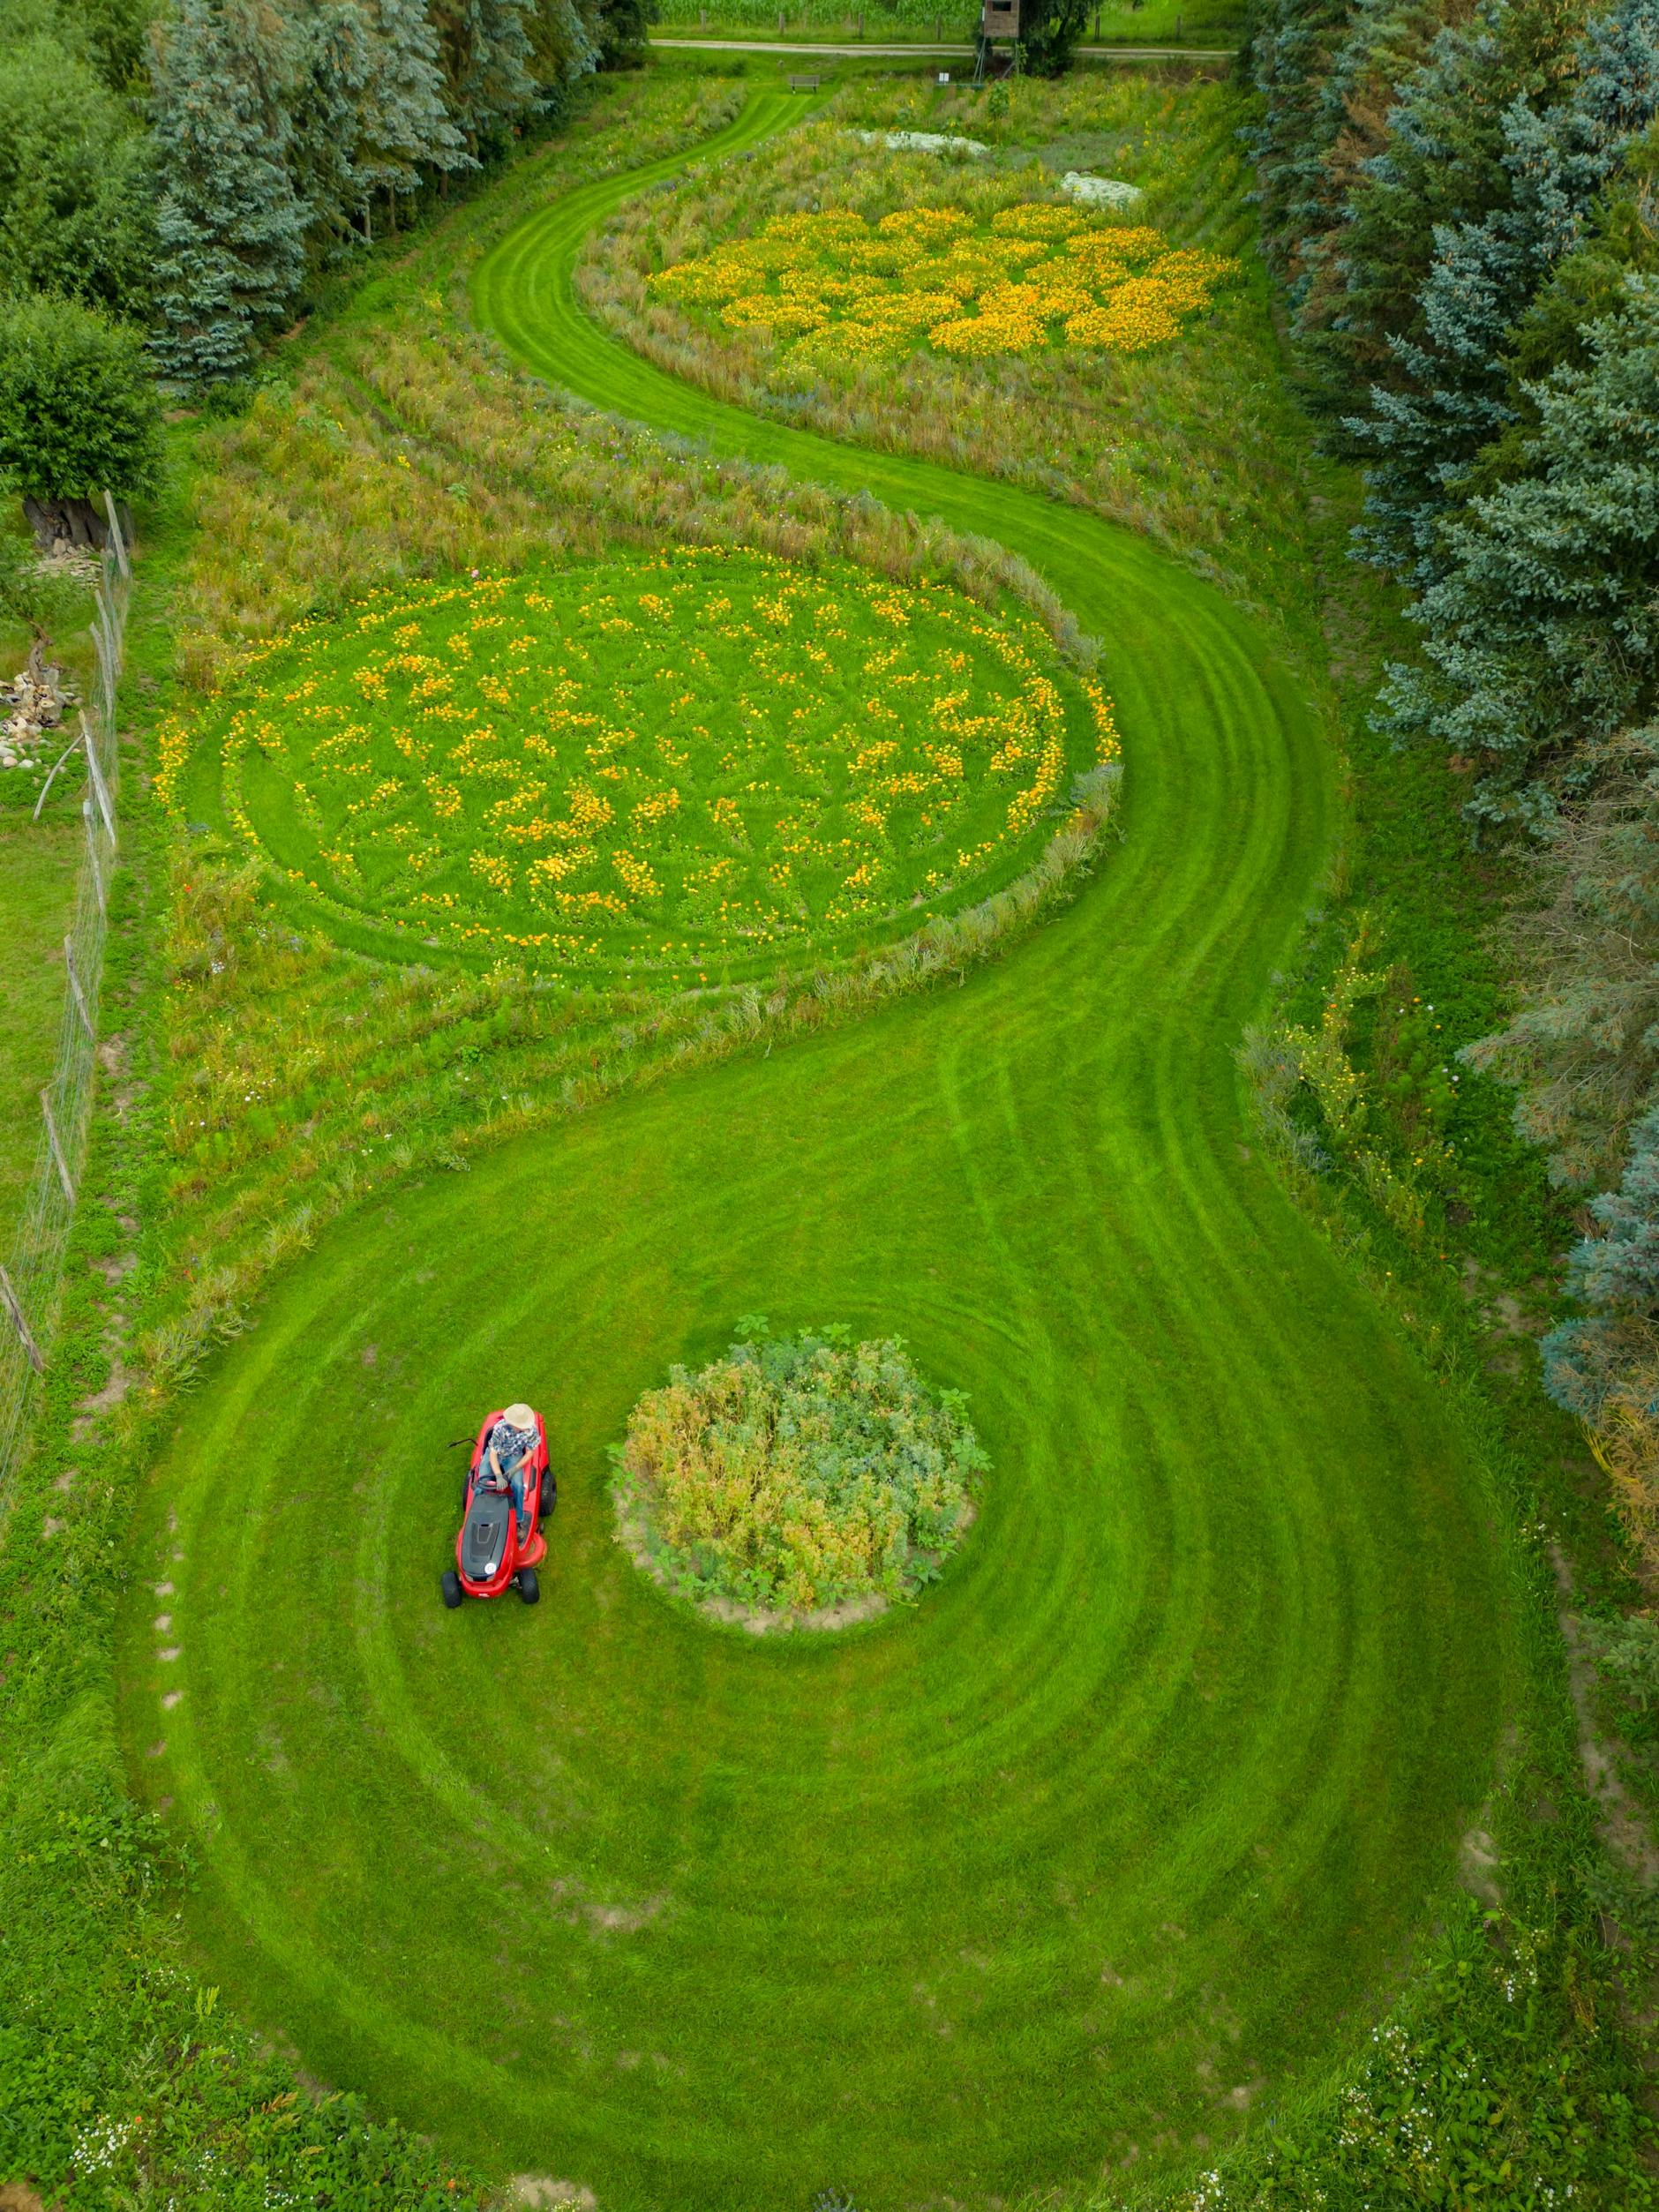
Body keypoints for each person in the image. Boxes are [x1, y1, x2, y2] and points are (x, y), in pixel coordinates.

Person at [481, 1403, 538, 1541]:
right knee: (480, 1485)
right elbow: (493, 1454)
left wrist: (515, 1469)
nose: (526, 1427)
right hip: (495, 1454)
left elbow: (530, 1452)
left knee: (518, 1486)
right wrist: (499, 1475)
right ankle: (482, 1516)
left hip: (513, 1456)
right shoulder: (500, 1428)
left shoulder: (531, 1430)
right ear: (514, 1423)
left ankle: (518, 1521)